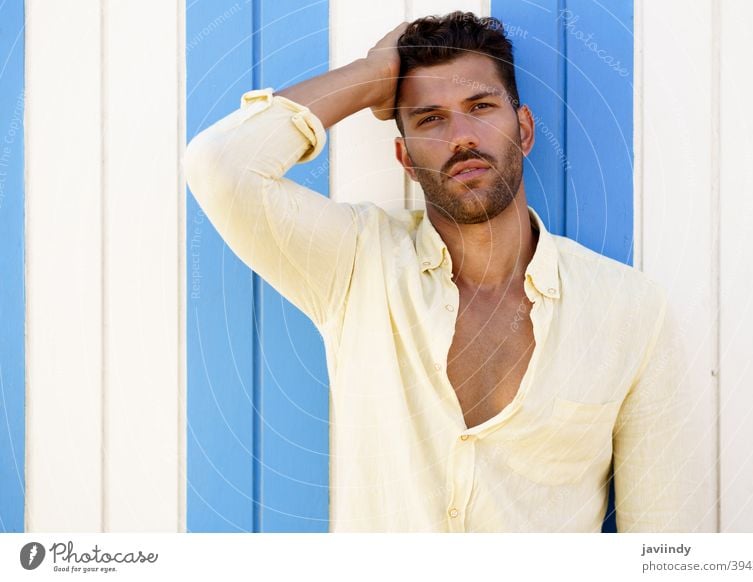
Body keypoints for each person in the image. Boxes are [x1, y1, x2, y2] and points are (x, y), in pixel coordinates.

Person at [185, 12, 696, 532]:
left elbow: (663, 542)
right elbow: (221, 165)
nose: (461, 137)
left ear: (523, 130)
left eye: (480, 107)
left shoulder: (630, 310)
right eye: (432, 118)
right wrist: (371, 75)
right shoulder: (357, 263)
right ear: (405, 158)